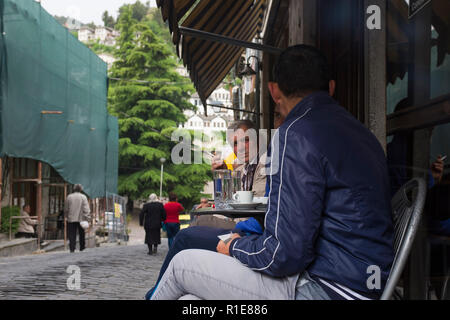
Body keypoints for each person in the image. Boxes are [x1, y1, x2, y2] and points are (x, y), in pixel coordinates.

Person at [150, 45, 394, 300]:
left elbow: (283, 255)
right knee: (190, 301)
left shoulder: (294, 133)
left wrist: (235, 246)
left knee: (181, 265)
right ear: (331, 88)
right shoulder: (363, 133)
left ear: (274, 91)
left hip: (328, 287)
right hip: (362, 282)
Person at [145, 104, 287, 299]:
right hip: (246, 227)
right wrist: (220, 178)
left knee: (187, 235)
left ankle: (155, 293)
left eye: (245, 141)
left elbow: (256, 208)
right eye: (235, 144)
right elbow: (229, 200)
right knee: (196, 224)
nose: (240, 148)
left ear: (259, 139)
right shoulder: (246, 167)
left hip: (250, 231)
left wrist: (233, 231)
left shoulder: (265, 163)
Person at [64, 184, 91, 253]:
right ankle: (82, 247)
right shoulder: (83, 197)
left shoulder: (69, 197)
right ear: (81, 189)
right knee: (81, 233)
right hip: (81, 219)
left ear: (74, 189)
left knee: (71, 234)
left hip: (71, 218)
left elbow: (66, 208)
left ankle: (72, 248)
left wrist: (66, 216)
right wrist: (88, 218)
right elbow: (86, 209)